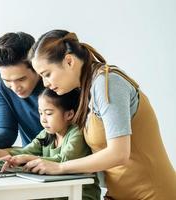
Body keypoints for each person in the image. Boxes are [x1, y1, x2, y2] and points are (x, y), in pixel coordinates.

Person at [22, 29, 176, 199]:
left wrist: (59, 167)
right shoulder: (87, 90)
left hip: (152, 194)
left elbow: (119, 153)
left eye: (47, 74)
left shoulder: (107, 84)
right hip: (119, 194)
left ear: (69, 61)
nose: (46, 83)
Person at [0, 88, 100, 200]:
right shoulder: (46, 134)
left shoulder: (77, 132)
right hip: (55, 192)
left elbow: (64, 160)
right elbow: (26, 151)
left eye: (48, 113)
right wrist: (4, 153)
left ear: (69, 114)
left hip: (81, 194)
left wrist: (29, 158)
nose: (43, 119)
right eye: (40, 113)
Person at [0, 32, 45, 150]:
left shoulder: (56, 81)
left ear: (36, 67)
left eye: (21, 79)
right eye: (7, 80)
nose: (15, 88)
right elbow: (6, 130)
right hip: (28, 160)